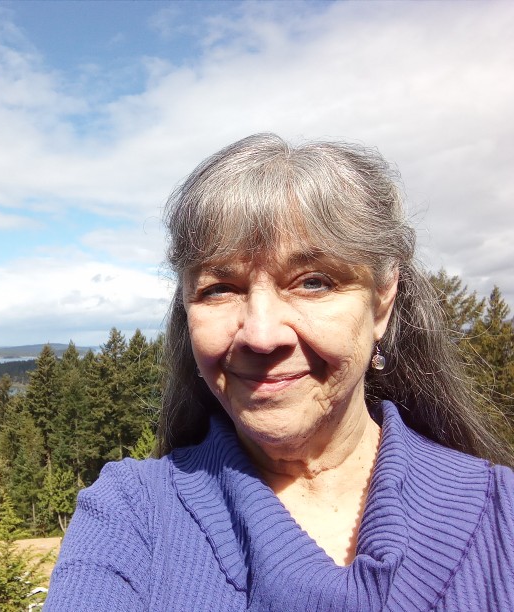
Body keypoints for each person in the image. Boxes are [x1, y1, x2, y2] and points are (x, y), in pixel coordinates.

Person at [44, 134, 514, 611]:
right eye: (219, 288)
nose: (261, 335)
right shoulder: (131, 518)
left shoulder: (503, 516)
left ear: (381, 302)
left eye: (314, 282)